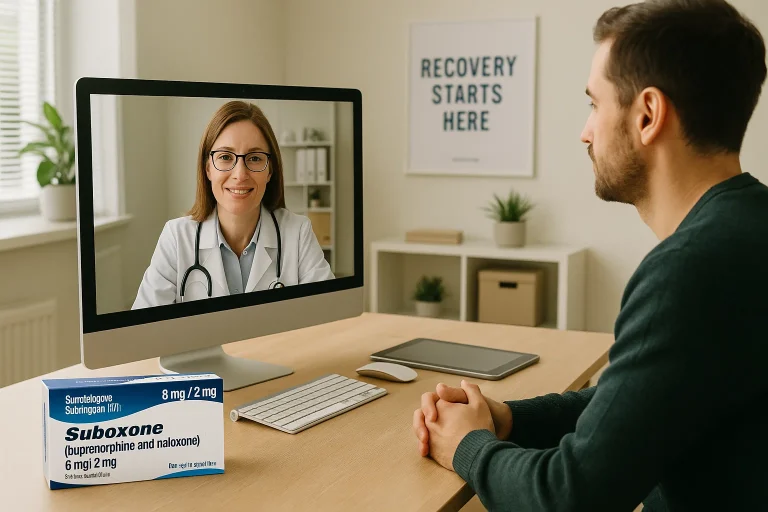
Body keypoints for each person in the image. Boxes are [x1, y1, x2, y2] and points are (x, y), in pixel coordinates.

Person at [412, 1, 768, 510]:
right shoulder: (749, 229)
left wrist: (467, 447)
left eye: (594, 104)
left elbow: (571, 496)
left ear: (647, 114)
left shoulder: (688, 271)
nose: (585, 131)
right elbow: (631, 405)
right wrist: (508, 418)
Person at [133, 101, 334, 308]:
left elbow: (329, 316)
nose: (240, 175)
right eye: (226, 157)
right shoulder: (176, 237)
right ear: (208, 169)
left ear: (270, 171)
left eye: (255, 158)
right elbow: (143, 331)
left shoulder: (298, 232)